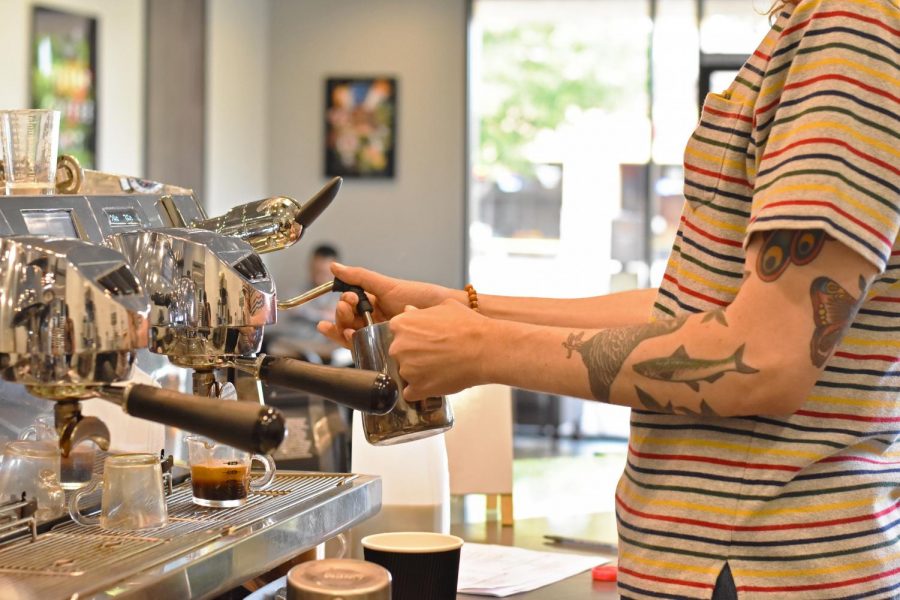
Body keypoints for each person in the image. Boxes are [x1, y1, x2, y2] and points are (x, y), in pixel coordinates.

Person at [319, 0, 899, 597]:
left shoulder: (846, 27)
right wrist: (464, 308)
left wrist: (484, 349)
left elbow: (764, 357)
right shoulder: (808, 29)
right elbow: (695, 314)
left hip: (759, 567)